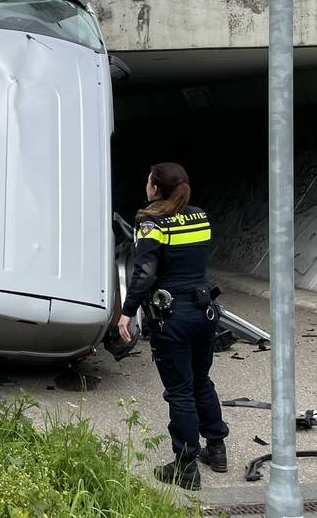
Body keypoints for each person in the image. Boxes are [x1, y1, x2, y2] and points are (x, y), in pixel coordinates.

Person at [118, 163, 229, 491]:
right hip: (204, 311)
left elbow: (145, 273)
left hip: (173, 317)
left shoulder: (150, 223)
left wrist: (127, 312)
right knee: (201, 380)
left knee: (180, 390)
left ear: (155, 188)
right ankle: (217, 449)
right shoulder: (200, 216)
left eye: (148, 180)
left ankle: (186, 467)